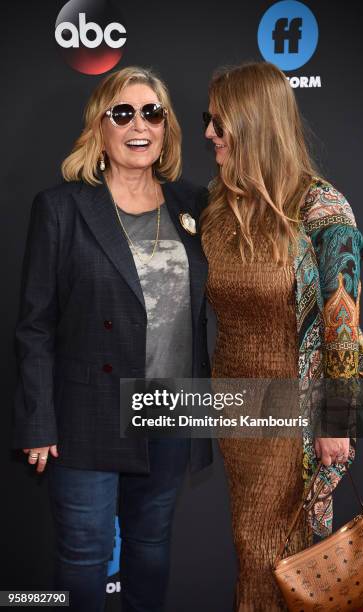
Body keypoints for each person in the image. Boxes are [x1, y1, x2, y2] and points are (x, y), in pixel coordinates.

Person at [13, 66, 212, 612]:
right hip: (86, 414)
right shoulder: (61, 208)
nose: (139, 124)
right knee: (85, 556)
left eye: (153, 112)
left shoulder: (194, 205)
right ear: (99, 127)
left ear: (167, 128)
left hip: (168, 412)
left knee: (150, 549)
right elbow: (35, 325)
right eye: (122, 113)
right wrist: (38, 419)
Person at [200, 61, 363, 611]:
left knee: (271, 551)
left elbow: (344, 323)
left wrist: (337, 421)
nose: (208, 134)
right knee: (250, 548)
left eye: (219, 123)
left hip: (293, 413)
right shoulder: (219, 206)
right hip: (235, 409)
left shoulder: (322, 210)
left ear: (254, 123)